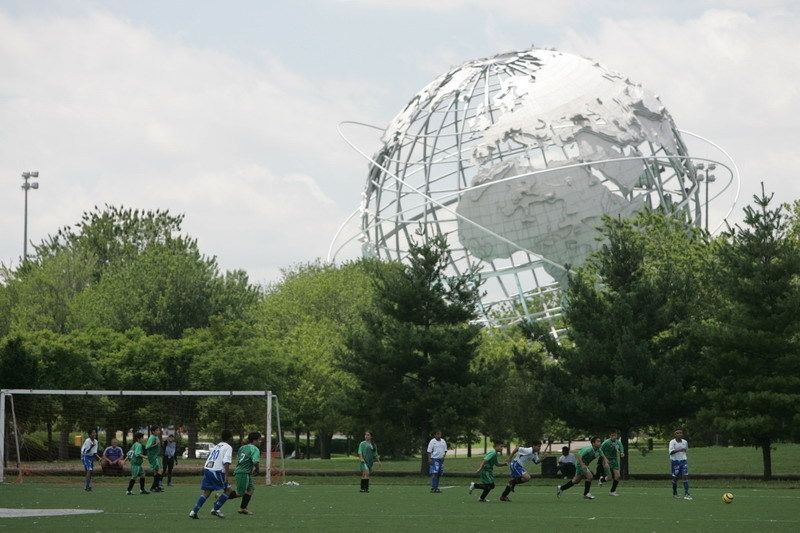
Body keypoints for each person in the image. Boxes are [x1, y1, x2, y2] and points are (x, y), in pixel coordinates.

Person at [189, 429, 235, 519]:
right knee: (228, 490)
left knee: (207, 492)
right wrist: (226, 475)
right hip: (216, 471)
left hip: (208, 469)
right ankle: (216, 509)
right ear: (230, 438)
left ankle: (193, 511)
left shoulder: (217, 446)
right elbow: (226, 462)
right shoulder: (228, 447)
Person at [233, 431, 262, 515]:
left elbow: (239, 458)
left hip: (244, 472)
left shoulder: (242, 447)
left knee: (250, 489)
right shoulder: (255, 449)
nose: (260, 441)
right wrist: (257, 470)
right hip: (243, 473)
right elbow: (255, 462)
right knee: (240, 493)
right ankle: (222, 496)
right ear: (254, 440)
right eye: (259, 440)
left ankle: (243, 508)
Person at [669, 428, 692, 500]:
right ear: (675, 435)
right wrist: (679, 450)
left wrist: (684, 451)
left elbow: (686, 450)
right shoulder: (672, 442)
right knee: (675, 478)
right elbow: (671, 452)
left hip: (683, 461)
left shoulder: (685, 442)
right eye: (677, 433)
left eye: (680, 433)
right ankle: (675, 493)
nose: (679, 434)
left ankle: (686, 494)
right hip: (675, 462)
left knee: (685, 476)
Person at [600, 430, 623, 496]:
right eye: (612, 435)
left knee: (617, 476)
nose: (614, 437)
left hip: (614, 460)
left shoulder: (618, 442)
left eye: (615, 435)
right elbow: (600, 451)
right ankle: (601, 480)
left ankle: (612, 491)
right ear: (610, 436)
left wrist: (622, 452)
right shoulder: (606, 443)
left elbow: (621, 447)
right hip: (606, 461)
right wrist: (604, 459)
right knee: (609, 478)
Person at [145, 425, 163, 492]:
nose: (159, 431)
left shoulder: (156, 437)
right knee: (159, 471)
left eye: (159, 430)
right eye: (157, 430)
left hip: (156, 456)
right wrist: (156, 444)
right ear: (153, 431)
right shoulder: (152, 437)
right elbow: (147, 447)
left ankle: (156, 487)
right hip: (153, 457)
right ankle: (154, 487)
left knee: (156, 472)